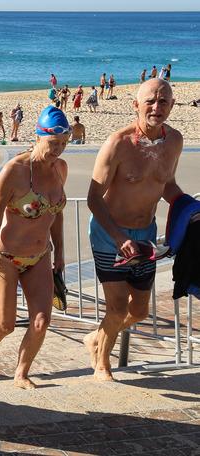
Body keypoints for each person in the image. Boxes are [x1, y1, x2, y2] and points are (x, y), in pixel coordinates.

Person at [85, 78, 183, 381]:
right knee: (116, 307)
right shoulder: (118, 143)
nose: (157, 107)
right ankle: (102, 364)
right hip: (109, 234)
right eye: (150, 101)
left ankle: (96, 336)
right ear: (135, 105)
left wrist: (189, 209)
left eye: (164, 101)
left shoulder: (174, 141)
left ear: (171, 106)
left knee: (138, 311)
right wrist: (118, 236)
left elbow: (167, 185)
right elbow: (92, 198)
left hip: (145, 235)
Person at [0, 106, 69, 391]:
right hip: (6, 258)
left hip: (40, 256)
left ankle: (21, 373)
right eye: (54, 144)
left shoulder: (60, 169)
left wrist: (60, 253)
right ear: (38, 136)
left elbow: (57, 213)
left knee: (41, 321)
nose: (58, 150)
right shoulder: (15, 170)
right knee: (5, 325)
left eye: (64, 144)